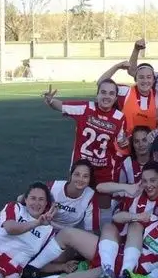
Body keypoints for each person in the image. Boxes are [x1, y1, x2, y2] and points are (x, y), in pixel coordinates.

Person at [7, 196, 158, 278]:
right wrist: (137, 216)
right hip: (114, 254)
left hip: (133, 273)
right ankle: (31, 268)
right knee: (75, 232)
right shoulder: (153, 220)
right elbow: (118, 219)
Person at [42, 81, 126, 209]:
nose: (106, 96)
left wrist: (124, 141)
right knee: (74, 204)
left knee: (103, 208)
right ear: (97, 94)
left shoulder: (119, 117)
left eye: (111, 93)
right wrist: (51, 100)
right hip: (81, 168)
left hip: (104, 170)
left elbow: (121, 141)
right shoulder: (85, 108)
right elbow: (62, 106)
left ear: (115, 98)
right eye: (103, 92)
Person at [94, 161, 158, 278]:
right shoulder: (135, 191)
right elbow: (100, 188)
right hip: (118, 241)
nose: (148, 185)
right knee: (108, 227)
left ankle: (125, 274)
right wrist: (127, 187)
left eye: (153, 180)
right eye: (144, 181)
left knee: (136, 225)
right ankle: (108, 270)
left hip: (144, 248)